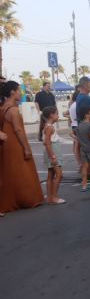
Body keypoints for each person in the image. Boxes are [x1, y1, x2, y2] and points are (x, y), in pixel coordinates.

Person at [0, 81, 44, 214]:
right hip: (15, 144)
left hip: (6, 145)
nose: (21, 93)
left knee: (10, 173)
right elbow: (18, 130)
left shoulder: (3, 108)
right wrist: (26, 147)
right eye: (19, 90)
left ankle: (14, 199)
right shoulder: (13, 110)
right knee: (24, 172)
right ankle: (27, 199)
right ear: (13, 92)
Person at [40, 106, 65, 205]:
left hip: (51, 151)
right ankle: (53, 197)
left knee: (51, 174)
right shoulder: (49, 127)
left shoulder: (47, 126)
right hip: (53, 152)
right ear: (51, 115)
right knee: (59, 175)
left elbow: (46, 142)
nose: (58, 116)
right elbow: (48, 143)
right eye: (57, 114)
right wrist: (53, 157)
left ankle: (50, 196)